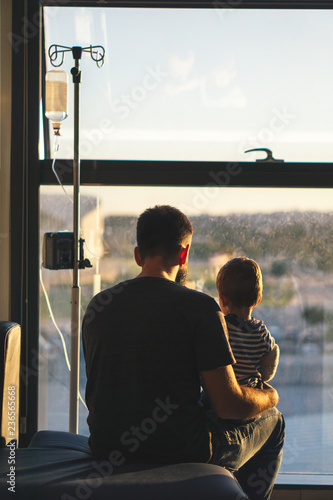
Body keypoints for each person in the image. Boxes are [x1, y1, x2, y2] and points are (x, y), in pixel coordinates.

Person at [82, 205, 284, 500]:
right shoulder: (200, 308)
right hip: (182, 450)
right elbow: (229, 406)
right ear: (184, 254)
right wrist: (270, 396)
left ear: (138, 255)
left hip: (106, 446)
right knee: (274, 421)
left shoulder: (98, 305)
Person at [216, 257, 280, 389]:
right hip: (252, 395)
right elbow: (267, 371)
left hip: (222, 396)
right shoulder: (262, 332)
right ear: (258, 299)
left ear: (223, 299)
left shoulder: (220, 328)